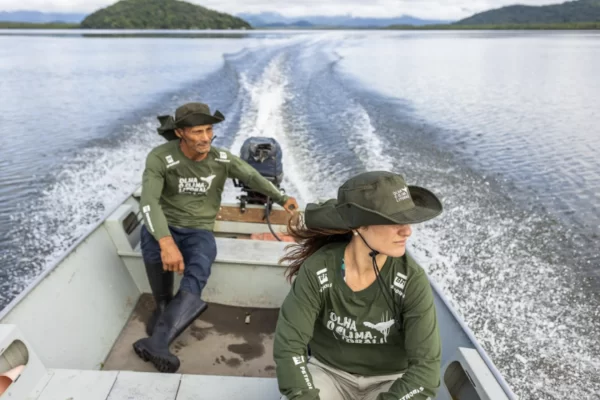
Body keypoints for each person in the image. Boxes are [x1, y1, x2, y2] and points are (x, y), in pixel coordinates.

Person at [133, 102, 298, 373]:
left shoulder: (221, 159)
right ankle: (164, 308)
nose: (206, 137)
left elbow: (252, 176)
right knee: (151, 245)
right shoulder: (161, 158)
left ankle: (157, 342)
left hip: (199, 229)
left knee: (200, 264)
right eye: (197, 131)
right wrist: (166, 242)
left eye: (209, 130)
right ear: (180, 133)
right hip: (166, 222)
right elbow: (149, 203)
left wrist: (282, 199)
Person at [273, 171, 443, 400]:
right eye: (394, 221)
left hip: (390, 379)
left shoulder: (411, 279)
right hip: (328, 372)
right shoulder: (319, 269)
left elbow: (425, 369)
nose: (407, 230)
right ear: (359, 226)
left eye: (407, 219)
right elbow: (289, 346)